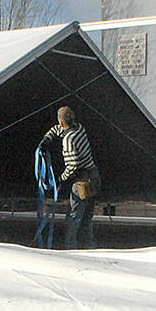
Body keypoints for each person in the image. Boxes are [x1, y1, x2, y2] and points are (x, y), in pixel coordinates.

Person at [39, 105, 101, 249]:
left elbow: (73, 165)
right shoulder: (79, 128)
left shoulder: (68, 141)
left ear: (61, 122)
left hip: (82, 180)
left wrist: (61, 178)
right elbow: (57, 129)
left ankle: (70, 247)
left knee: (74, 216)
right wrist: (47, 138)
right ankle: (89, 244)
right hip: (94, 175)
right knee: (87, 215)